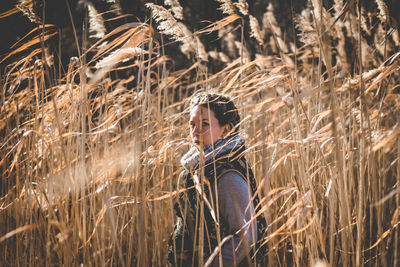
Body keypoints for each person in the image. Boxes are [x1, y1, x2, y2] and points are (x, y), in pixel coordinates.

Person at [168, 93, 266, 266]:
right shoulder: (201, 166)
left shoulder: (228, 177)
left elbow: (244, 238)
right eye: (192, 124)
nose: (195, 131)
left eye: (204, 124)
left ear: (226, 130)